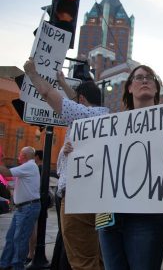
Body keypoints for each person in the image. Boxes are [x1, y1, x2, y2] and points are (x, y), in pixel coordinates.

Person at [96, 64, 163, 270]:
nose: (145, 80)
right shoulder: (113, 124)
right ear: (129, 88)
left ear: (156, 87)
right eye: (139, 77)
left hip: (147, 217)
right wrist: (75, 151)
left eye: (150, 77)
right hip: (109, 215)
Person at [24, 58, 106, 270]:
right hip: (103, 199)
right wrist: (63, 82)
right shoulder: (106, 116)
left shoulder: (80, 116)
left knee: (82, 260)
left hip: (77, 199)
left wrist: (32, 74)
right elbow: (76, 101)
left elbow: (48, 95)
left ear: (81, 100)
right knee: (99, 254)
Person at [0, 146, 41, 270]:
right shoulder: (28, 167)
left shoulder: (29, 165)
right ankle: (5, 264)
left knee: (19, 239)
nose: (18, 156)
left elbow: (6, 173)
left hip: (28, 207)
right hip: (23, 208)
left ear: (25, 156)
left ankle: (17, 266)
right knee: (11, 237)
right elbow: (11, 179)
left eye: (20, 154)